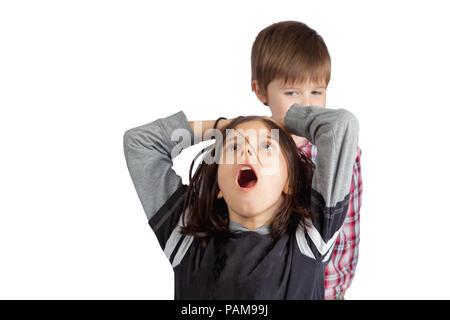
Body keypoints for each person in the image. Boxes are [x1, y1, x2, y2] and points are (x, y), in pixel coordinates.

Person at [123, 103, 359, 299]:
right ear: (219, 189)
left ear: (290, 182)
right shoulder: (186, 240)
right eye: (234, 146)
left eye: (266, 145)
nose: (247, 152)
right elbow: (139, 142)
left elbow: (340, 126)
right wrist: (219, 127)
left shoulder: (309, 238)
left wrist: (282, 122)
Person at [250, 20, 363, 299]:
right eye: (291, 93)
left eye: (317, 91)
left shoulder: (343, 153)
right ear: (261, 91)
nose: (307, 105)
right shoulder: (247, 151)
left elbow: (346, 232)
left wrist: (332, 292)